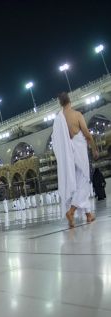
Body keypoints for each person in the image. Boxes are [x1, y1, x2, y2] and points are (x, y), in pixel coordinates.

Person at [52, 92, 98, 228]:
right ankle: (71, 212)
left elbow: (56, 141)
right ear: (70, 101)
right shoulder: (76, 115)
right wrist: (94, 148)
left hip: (68, 158)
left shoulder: (58, 119)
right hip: (80, 154)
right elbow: (87, 135)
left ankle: (88, 214)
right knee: (84, 183)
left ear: (60, 103)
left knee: (79, 185)